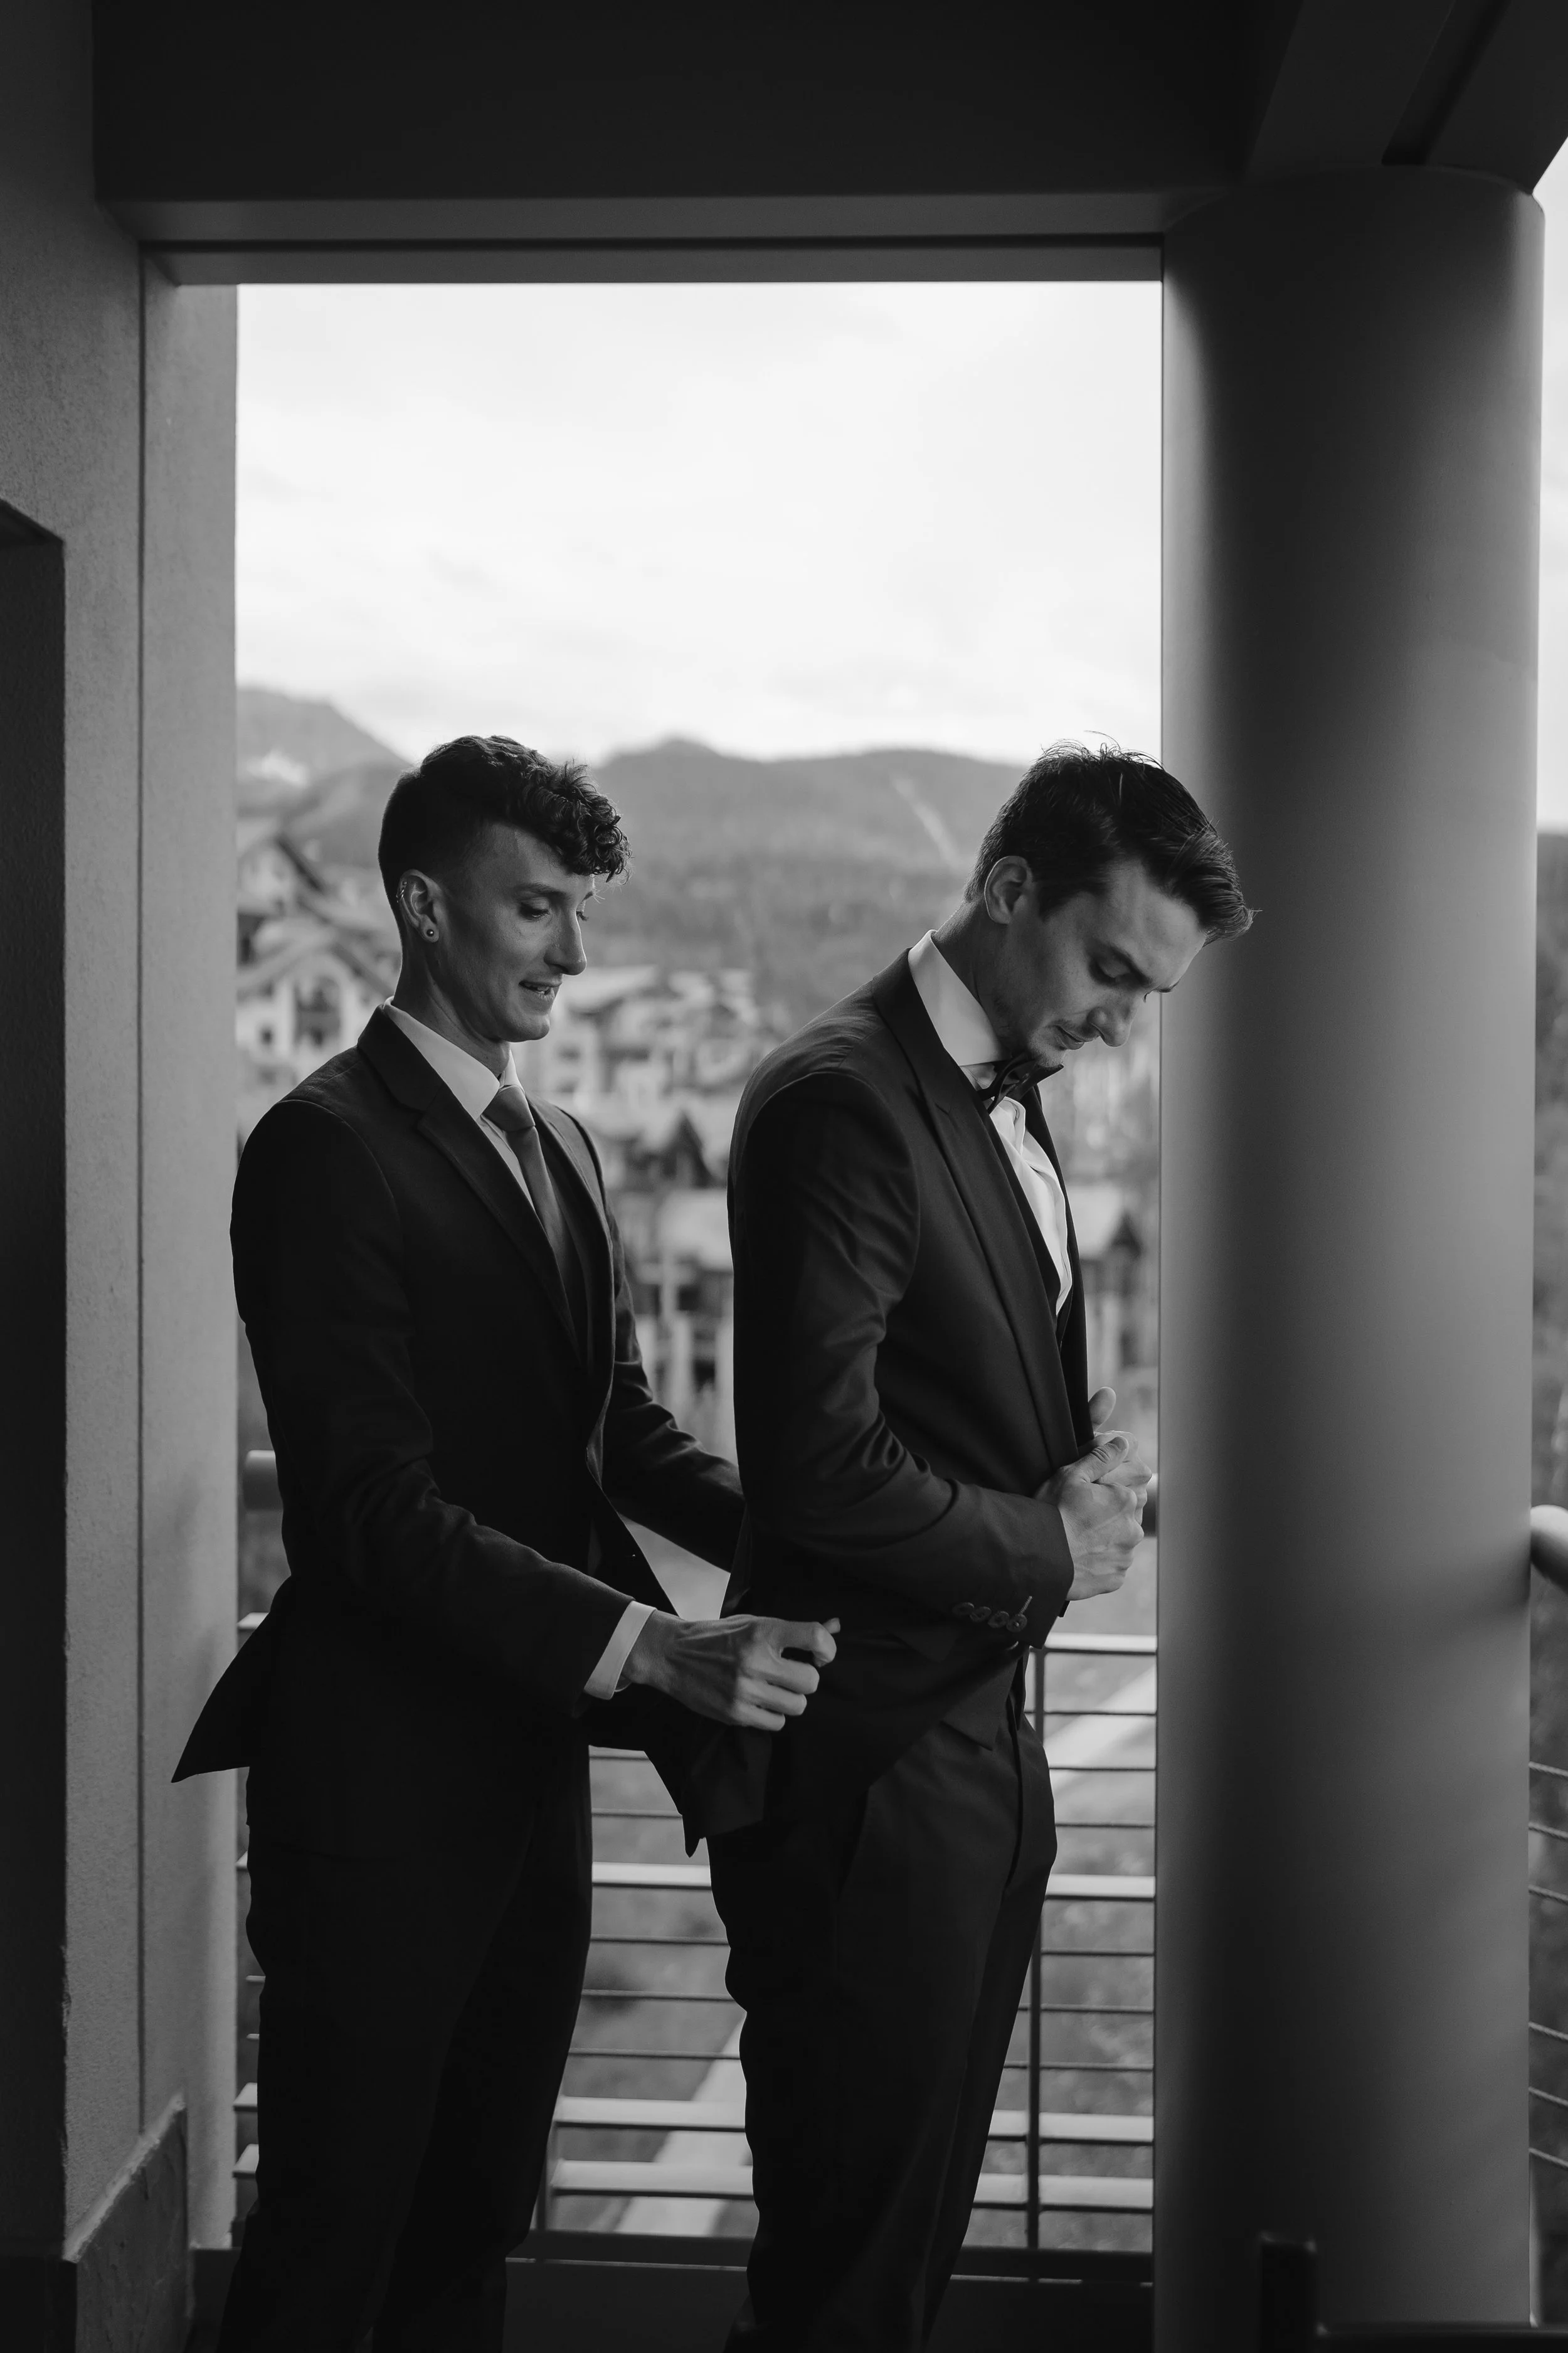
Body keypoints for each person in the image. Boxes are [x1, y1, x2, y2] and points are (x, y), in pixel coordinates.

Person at [175, 735, 836, 2352]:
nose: (575, 953)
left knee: (479, 2209)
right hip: (376, 1786)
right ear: (420, 905)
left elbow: (617, 1431)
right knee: (337, 2227)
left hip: (525, 1773)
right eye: (536, 909)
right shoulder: (319, 1149)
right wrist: (657, 1646)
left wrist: (837, 1542)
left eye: (581, 912)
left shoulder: (566, 1149)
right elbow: (369, 1517)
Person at [702, 742, 1253, 2350]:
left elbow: (945, 1390)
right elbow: (816, 1470)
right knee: (840, 2271)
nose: (1121, 1021)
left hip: (966, 1746)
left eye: (1147, 993)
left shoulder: (1001, 1091)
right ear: (1006, 890)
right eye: (1108, 970)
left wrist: (1072, 1471)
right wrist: (1049, 1540)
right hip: (867, 1769)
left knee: (906, 2249)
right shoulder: (839, 1100)